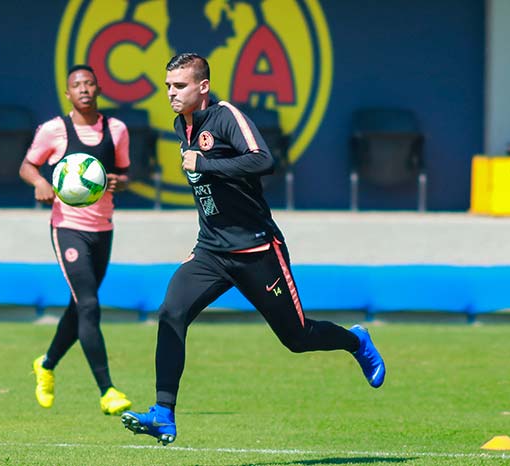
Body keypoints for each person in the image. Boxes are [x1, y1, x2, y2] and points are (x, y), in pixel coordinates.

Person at [120, 53, 385, 445]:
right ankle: (163, 412)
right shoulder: (182, 124)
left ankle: (356, 340)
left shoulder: (227, 116)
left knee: (297, 338)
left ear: (203, 86)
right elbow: (209, 194)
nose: (171, 93)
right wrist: (203, 239)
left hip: (258, 250)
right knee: (171, 313)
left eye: (179, 86)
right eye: (168, 86)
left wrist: (206, 164)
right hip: (211, 252)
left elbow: (264, 160)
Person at [19, 64, 133, 416]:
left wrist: (119, 182)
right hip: (67, 227)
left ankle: (47, 364)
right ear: (68, 94)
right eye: (76, 85)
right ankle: (107, 390)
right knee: (89, 305)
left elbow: (125, 174)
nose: (83, 89)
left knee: (79, 305)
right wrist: (39, 183)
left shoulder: (117, 129)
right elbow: (27, 166)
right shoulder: (53, 130)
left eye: (88, 83)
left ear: (98, 88)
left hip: (103, 228)